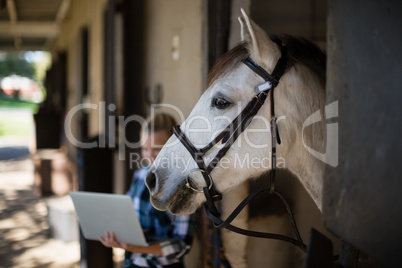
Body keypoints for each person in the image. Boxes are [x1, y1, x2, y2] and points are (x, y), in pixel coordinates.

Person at [99, 113, 194, 268]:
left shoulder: (185, 186)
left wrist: (134, 247)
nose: (149, 156)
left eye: (156, 149)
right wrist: (119, 230)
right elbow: (127, 214)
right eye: (144, 149)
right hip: (132, 263)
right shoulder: (140, 175)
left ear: (174, 145)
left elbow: (182, 245)